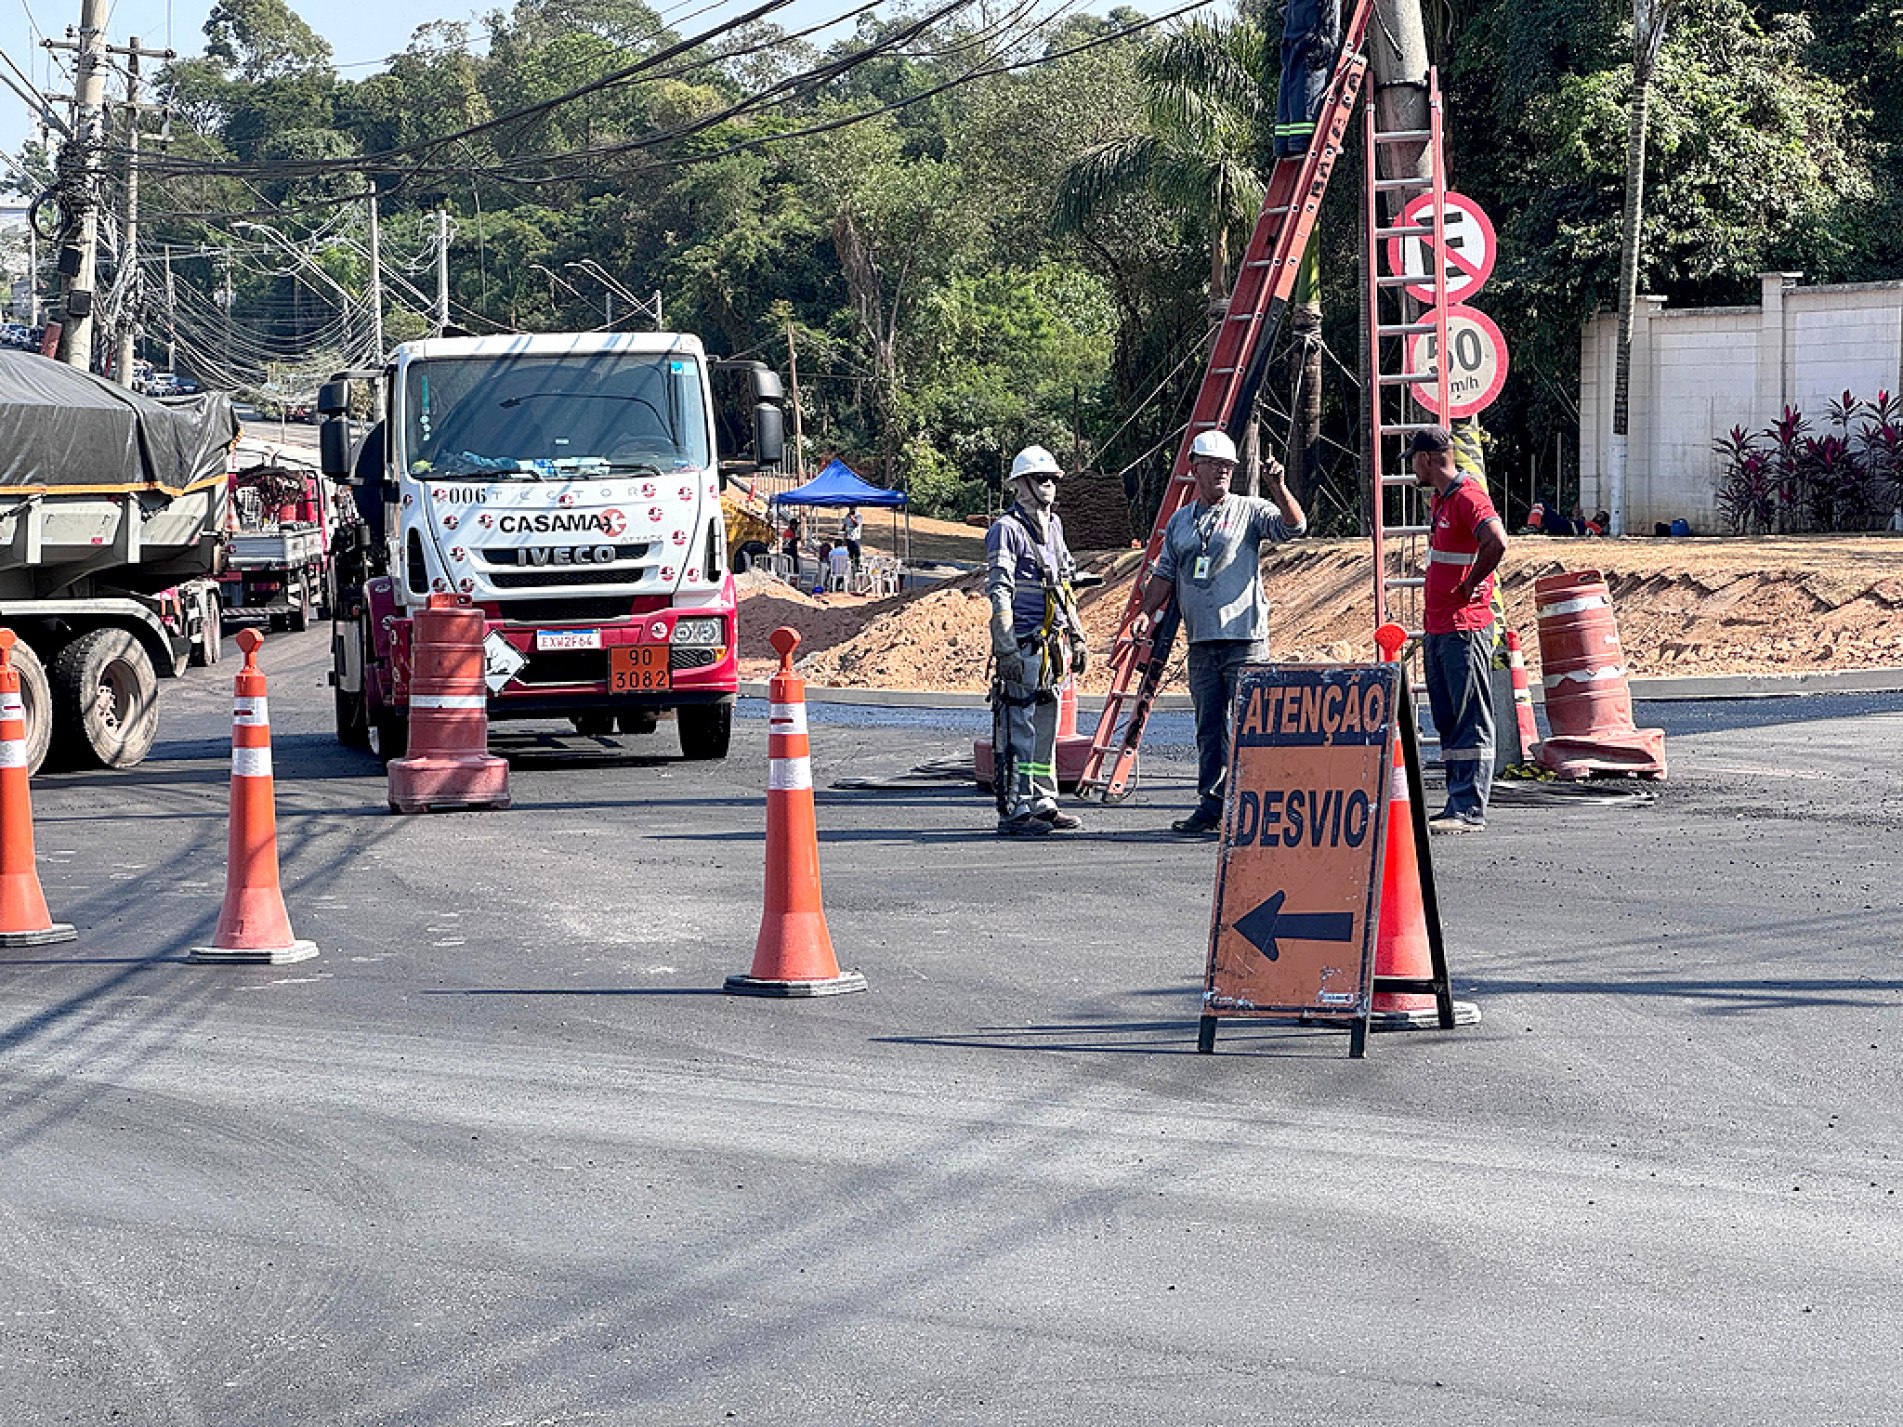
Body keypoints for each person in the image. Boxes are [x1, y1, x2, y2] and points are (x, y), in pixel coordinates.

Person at [1138, 428, 1307, 837]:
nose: (1222, 472)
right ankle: (1211, 805)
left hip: (1244, 639)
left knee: (1250, 725)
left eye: (1228, 466)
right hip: (1202, 642)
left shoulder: (1250, 510)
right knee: (1209, 726)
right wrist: (1144, 614)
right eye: (1214, 465)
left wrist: (1279, 487)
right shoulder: (1181, 521)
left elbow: (1295, 527)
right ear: (1195, 467)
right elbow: (1163, 574)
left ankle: (1253, 806)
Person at [985, 445, 1088, 837]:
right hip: (1024, 643)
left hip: (1051, 645)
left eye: (1052, 479)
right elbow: (999, 591)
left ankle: (1042, 800)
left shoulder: (1055, 525)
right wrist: (1006, 646)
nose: (1048, 485)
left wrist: (1076, 635)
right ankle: (1014, 809)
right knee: (1017, 726)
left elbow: (1064, 584)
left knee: (1045, 726)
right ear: (1020, 486)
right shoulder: (1006, 530)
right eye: (1040, 479)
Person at [1414, 424, 1508, 833]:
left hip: (1464, 627)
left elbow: (1497, 542)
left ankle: (1470, 806)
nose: (1413, 468)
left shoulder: (1468, 497)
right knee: (1449, 716)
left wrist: (1471, 584)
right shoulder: (1441, 500)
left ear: (1428, 459)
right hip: (1440, 627)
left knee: (1470, 714)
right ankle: (1457, 799)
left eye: (1414, 460)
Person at [781, 513, 804, 581]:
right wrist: (797, 539)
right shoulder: (788, 532)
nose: (797, 526)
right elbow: (789, 542)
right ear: (792, 525)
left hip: (790, 552)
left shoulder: (791, 532)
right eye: (796, 525)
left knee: (793, 567)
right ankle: (793, 580)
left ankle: (794, 579)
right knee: (792, 568)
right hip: (789, 553)